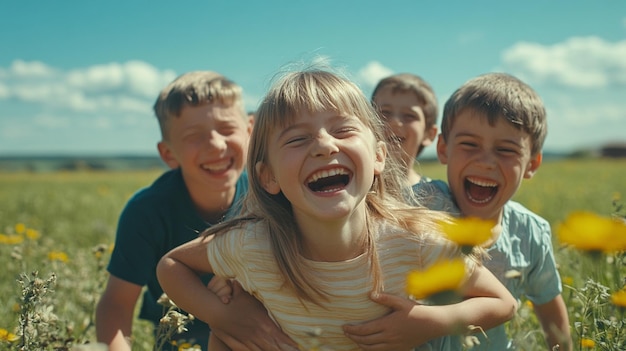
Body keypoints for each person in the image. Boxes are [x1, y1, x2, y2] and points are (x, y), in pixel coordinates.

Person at [157, 68, 518, 351]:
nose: (324, 146)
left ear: (378, 156)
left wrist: (428, 322)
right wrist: (223, 318)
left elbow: (501, 303)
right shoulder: (254, 245)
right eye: (298, 139)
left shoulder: (416, 242)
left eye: (343, 130)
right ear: (267, 177)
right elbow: (172, 266)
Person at [95, 71, 265, 351]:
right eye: (194, 136)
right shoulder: (147, 211)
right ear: (168, 155)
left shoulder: (270, 193)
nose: (215, 144)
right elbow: (116, 305)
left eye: (226, 129)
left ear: (249, 130)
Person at [410, 72, 572, 350]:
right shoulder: (419, 205)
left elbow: (551, 314)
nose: (485, 162)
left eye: (506, 150)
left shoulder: (530, 232)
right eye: (470, 144)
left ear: (532, 164)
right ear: (443, 149)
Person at [371, 73, 438, 186]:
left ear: (429, 134)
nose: (395, 122)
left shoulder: (439, 198)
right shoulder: (354, 190)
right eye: (385, 112)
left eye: (409, 115)